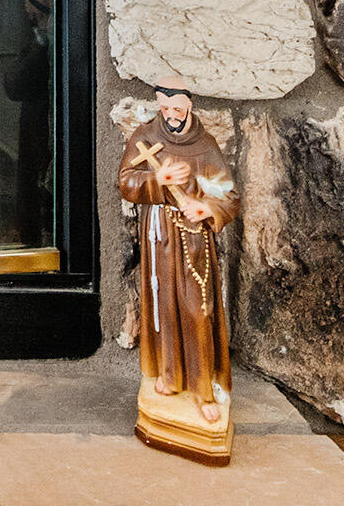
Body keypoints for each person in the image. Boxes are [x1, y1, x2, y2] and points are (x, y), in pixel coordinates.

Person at [119, 87, 238, 434]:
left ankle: (203, 390)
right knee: (164, 307)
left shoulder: (205, 145)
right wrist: (157, 179)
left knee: (197, 309)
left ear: (190, 106)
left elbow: (228, 195)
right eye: (165, 107)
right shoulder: (146, 137)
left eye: (177, 108)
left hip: (194, 238)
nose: (170, 115)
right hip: (159, 238)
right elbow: (126, 181)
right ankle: (170, 375)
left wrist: (205, 208)